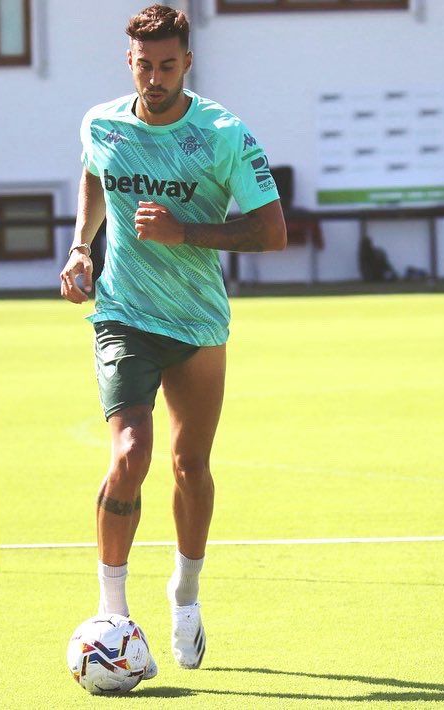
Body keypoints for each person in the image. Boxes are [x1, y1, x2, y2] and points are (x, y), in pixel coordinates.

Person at [59, 4, 286, 675]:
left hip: (196, 322)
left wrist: (185, 231)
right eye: (142, 66)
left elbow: (271, 232)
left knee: (190, 465)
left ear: (187, 62)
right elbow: (96, 173)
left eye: (165, 65)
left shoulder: (222, 133)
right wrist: (81, 247)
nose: (153, 78)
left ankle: (184, 597)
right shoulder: (102, 122)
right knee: (130, 452)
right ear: (128, 62)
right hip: (123, 314)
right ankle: (112, 613)